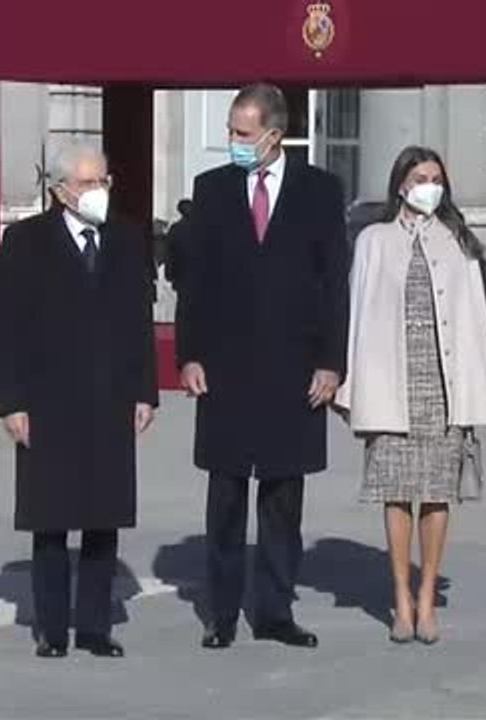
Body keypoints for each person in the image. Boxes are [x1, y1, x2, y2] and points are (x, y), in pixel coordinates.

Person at [175, 83, 350, 650]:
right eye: (231, 131)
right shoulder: (213, 190)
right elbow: (194, 283)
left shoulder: (320, 191)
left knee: (282, 495)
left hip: (293, 367)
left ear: (274, 134)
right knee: (225, 495)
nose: (233, 142)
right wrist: (189, 354)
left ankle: (274, 610)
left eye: (243, 134)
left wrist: (331, 362)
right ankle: (221, 614)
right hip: (225, 366)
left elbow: (333, 285)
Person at [335, 146, 486, 645]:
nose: (429, 185)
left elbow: (476, 320)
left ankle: (428, 594)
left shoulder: (458, 242)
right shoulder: (373, 240)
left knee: (436, 495)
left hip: (443, 384)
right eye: (419, 177)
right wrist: (349, 384)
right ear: (400, 185)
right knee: (395, 493)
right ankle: (401, 597)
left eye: (436, 178)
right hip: (390, 382)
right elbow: (357, 311)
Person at [0, 143, 158, 659]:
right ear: (60, 190)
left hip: (109, 397)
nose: (98, 192)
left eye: (103, 182)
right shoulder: (26, 241)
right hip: (47, 399)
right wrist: (12, 400)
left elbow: (138, 321)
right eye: (87, 184)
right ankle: (51, 626)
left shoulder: (128, 240)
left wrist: (144, 392)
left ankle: (93, 625)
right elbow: (11, 327)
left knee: (102, 514)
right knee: (51, 516)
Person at [163, 198, 193, 294]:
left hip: (180, 273)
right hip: (194, 273)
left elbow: (169, 253)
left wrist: (169, 272)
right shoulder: (201, 228)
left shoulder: (176, 229)